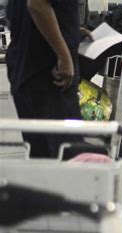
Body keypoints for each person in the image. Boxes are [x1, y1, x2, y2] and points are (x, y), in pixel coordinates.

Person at [6, 0, 87, 158]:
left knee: (42, 158)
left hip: (28, 68)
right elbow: (37, 4)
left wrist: (68, 29)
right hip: (48, 76)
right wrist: (63, 55)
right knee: (65, 155)